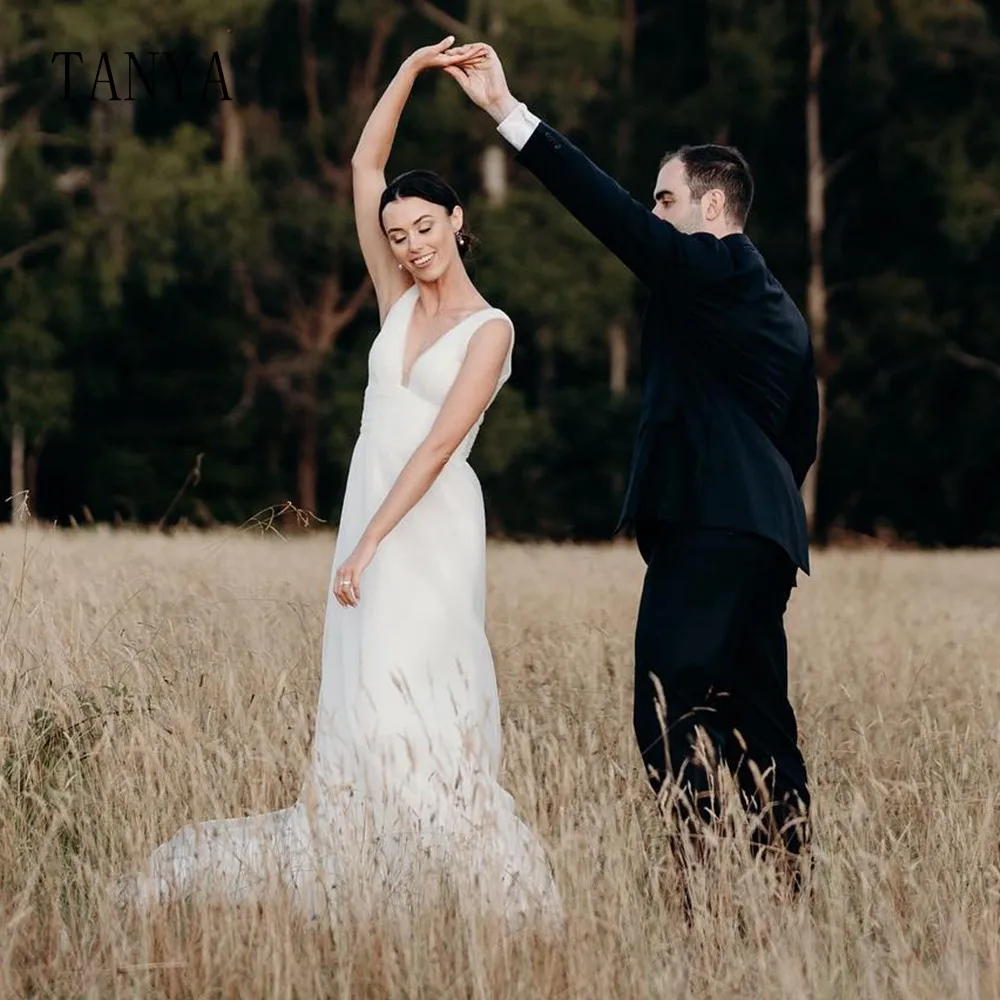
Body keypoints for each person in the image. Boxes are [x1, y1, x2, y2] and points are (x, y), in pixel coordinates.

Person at [115, 37, 564, 927]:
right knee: (362, 696)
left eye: (426, 228)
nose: (412, 244)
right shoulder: (394, 301)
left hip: (425, 532)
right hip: (370, 510)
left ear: (458, 221)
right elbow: (365, 164)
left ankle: (462, 884)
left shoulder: (492, 331)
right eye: (398, 235)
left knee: (419, 694)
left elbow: (437, 448)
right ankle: (369, 869)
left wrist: (364, 542)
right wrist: (409, 71)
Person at [443, 44, 818, 885]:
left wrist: (512, 115)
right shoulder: (780, 307)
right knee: (759, 720)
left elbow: (607, 214)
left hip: (711, 528)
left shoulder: (713, 266)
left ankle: (701, 885)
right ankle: (788, 886)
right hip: (765, 537)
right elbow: (802, 436)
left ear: (712, 203)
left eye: (666, 197)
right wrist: (761, 509)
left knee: (667, 708)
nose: (654, 211)